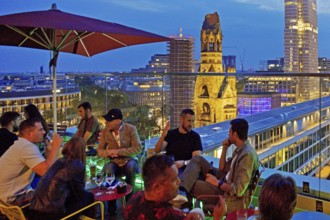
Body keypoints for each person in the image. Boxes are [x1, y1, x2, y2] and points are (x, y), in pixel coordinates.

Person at [179, 118, 259, 213]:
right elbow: (222, 168)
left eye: (229, 132)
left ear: (235, 135)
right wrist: (225, 148)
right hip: (224, 178)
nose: (228, 134)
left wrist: (216, 182)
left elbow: (238, 190)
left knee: (192, 184)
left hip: (227, 195)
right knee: (197, 159)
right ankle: (181, 193)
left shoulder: (247, 155)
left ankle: (184, 205)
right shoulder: (240, 149)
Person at [124, 154, 226, 220]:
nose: (179, 181)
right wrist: (217, 218)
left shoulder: (134, 199)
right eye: (174, 179)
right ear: (157, 187)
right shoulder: (170, 216)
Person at [29, 137, 95, 220]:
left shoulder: (59, 161)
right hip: (51, 213)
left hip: (36, 208)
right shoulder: (77, 165)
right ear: (82, 151)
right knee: (89, 196)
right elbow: (79, 192)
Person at [0, 118, 62, 203]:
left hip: (4, 196)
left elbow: (42, 166)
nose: (44, 132)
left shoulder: (20, 144)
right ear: (29, 133)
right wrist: (55, 147)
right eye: (40, 130)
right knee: (61, 192)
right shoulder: (27, 147)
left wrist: (49, 152)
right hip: (13, 198)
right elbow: (45, 172)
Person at [97, 108, 142, 217]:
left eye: (109, 121)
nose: (106, 123)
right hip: (114, 162)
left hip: (129, 160)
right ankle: (111, 209)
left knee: (130, 168)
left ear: (117, 121)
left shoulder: (130, 129)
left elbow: (138, 149)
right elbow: (99, 150)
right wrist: (107, 153)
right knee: (108, 169)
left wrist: (118, 152)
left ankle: (129, 204)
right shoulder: (105, 132)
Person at [155, 109, 203, 175]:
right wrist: (163, 135)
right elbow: (157, 150)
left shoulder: (195, 137)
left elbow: (197, 159)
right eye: (189, 121)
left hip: (185, 170)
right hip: (169, 167)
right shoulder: (171, 133)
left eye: (192, 121)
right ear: (181, 119)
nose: (191, 124)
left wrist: (183, 163)